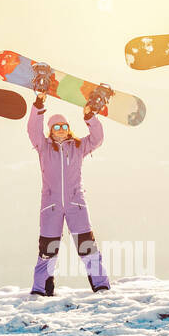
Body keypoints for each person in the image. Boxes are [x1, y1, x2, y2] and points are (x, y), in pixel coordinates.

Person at [27, 94, 109, 296]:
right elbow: (32, 130)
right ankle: (41, 289)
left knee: (87, 247)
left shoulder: (78, 146)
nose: (61, 130)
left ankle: (101, 286)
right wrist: (38, 105)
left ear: (68, 128)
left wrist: (90, 117)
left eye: (64, 126)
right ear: (51, 131)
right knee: (47, 250)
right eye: (56, 127)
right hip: (51, 206)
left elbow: (97, 139)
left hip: (76, 205)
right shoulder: (44, 147)